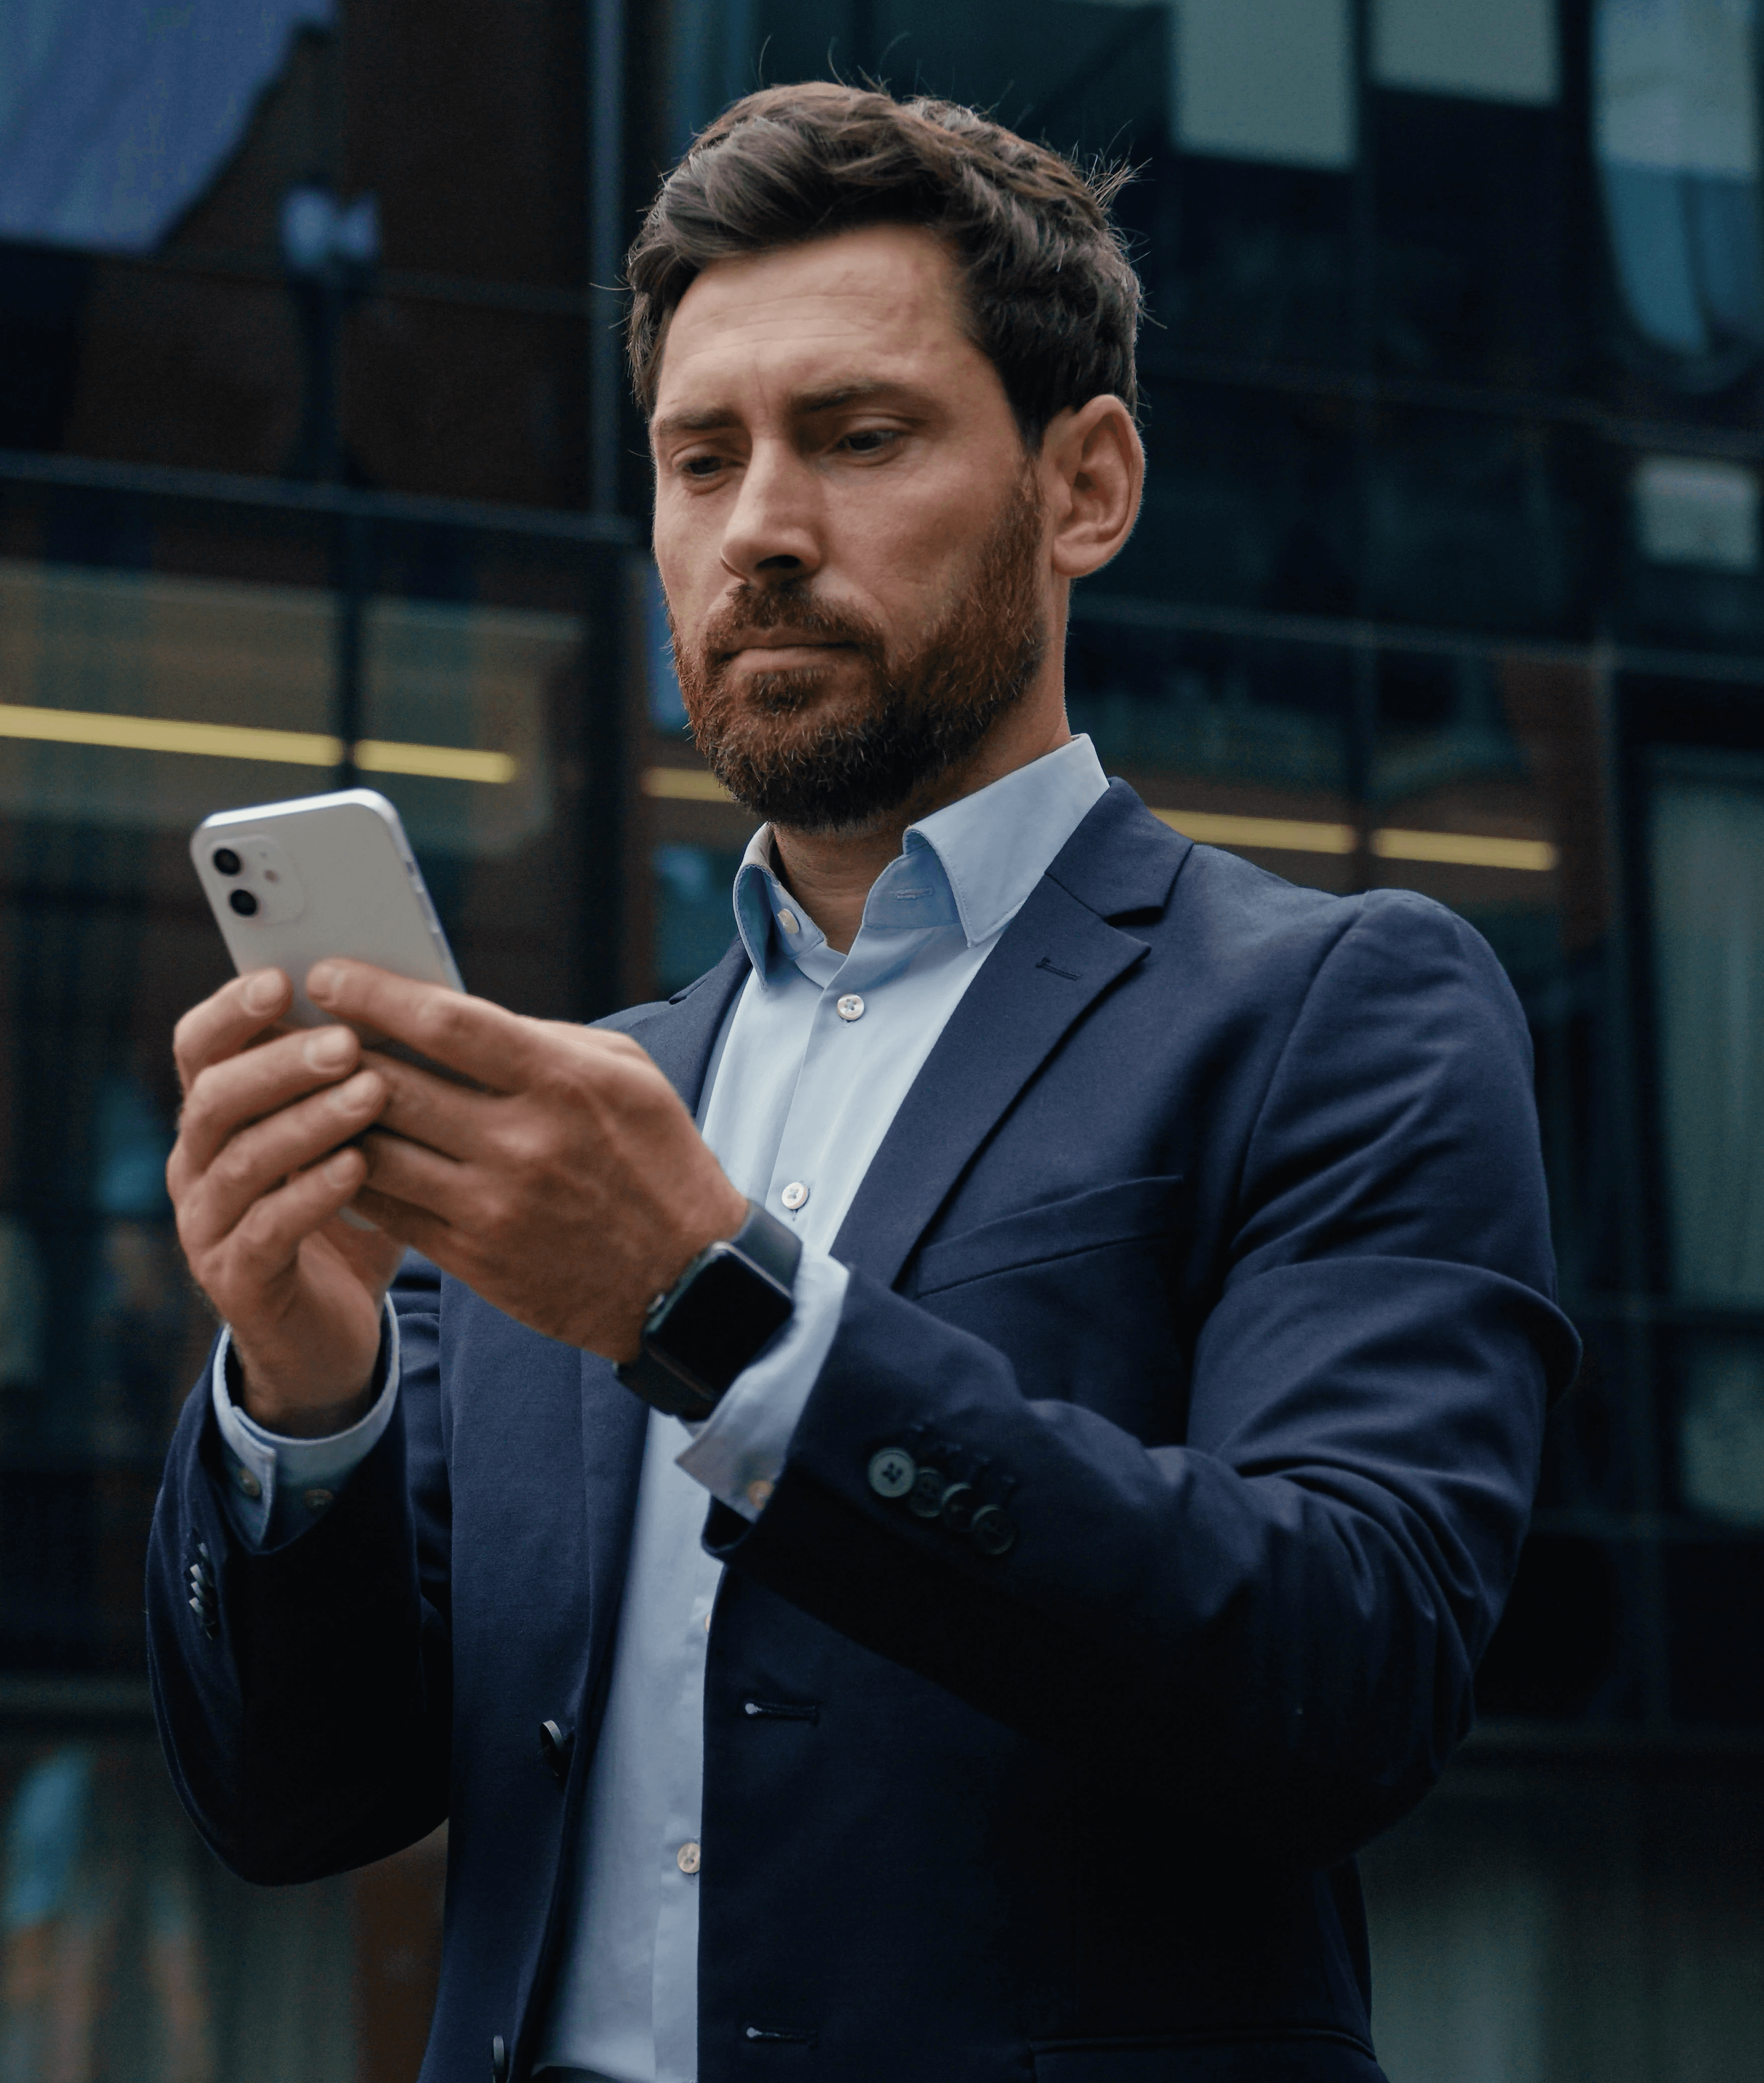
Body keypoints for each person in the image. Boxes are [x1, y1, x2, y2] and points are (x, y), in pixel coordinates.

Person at [146, 83, 1579, 2083]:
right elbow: (301, 1809)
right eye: (700, 457)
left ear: (1086, 487)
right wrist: (306, 1395)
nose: (760, 532)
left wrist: (722, 1317)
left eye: (859, 437)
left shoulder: (1343, 1010)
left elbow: (1347, 1678)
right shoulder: (602, 1109)